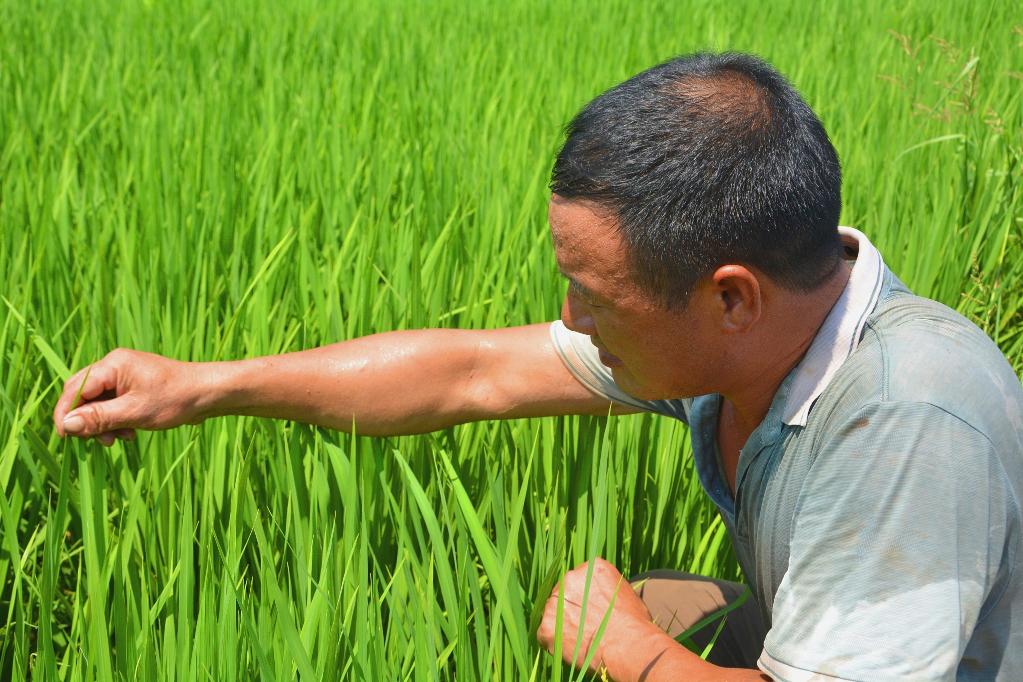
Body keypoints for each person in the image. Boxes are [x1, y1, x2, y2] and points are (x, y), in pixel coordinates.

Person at [53, 52, 1022, 681]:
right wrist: (203, 385)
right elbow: (470, 373)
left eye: (596, 294)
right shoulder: (746, 339)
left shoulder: (907, 420)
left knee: (637, 624)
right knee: (649, 599)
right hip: (827, 627)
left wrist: (631, 651)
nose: (569, 317)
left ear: (731, 297)